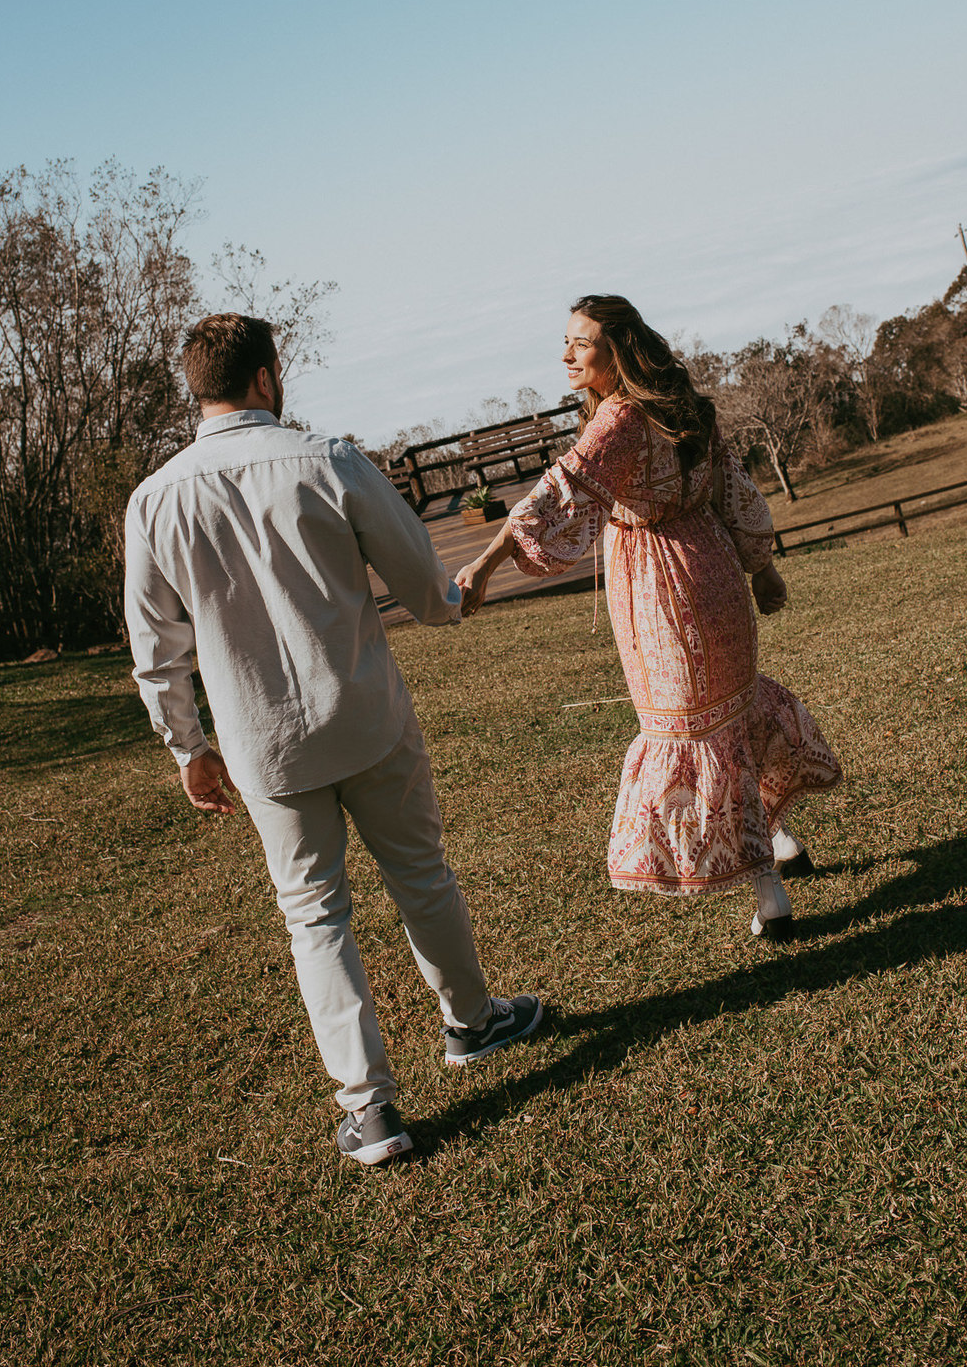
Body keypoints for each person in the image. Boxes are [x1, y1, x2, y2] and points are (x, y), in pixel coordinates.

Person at [124, 313, 541, 1167]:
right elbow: (423, 583)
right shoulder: (328, 460)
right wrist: (451, 601)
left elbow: (153, 647)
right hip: (364, 714)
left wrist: (186, 747)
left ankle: (371, 1109)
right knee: (421, 876)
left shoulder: (154, 500)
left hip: (260, 745)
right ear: (268, 378)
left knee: (313, 918)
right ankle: (470, 1021)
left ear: (196, 387)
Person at [456, 295, 841, 938]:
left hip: (660, 590)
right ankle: (780, 842)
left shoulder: (622, 419)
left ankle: (769, 892)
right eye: (568, 342)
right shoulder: (683, 405)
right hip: (714, 569)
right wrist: (761, 565)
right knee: (732, 712)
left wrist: (489, 562)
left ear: (620, 349)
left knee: (693, 731)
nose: (566, 355)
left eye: (580, 343)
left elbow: (563, 488)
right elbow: (733, 488)